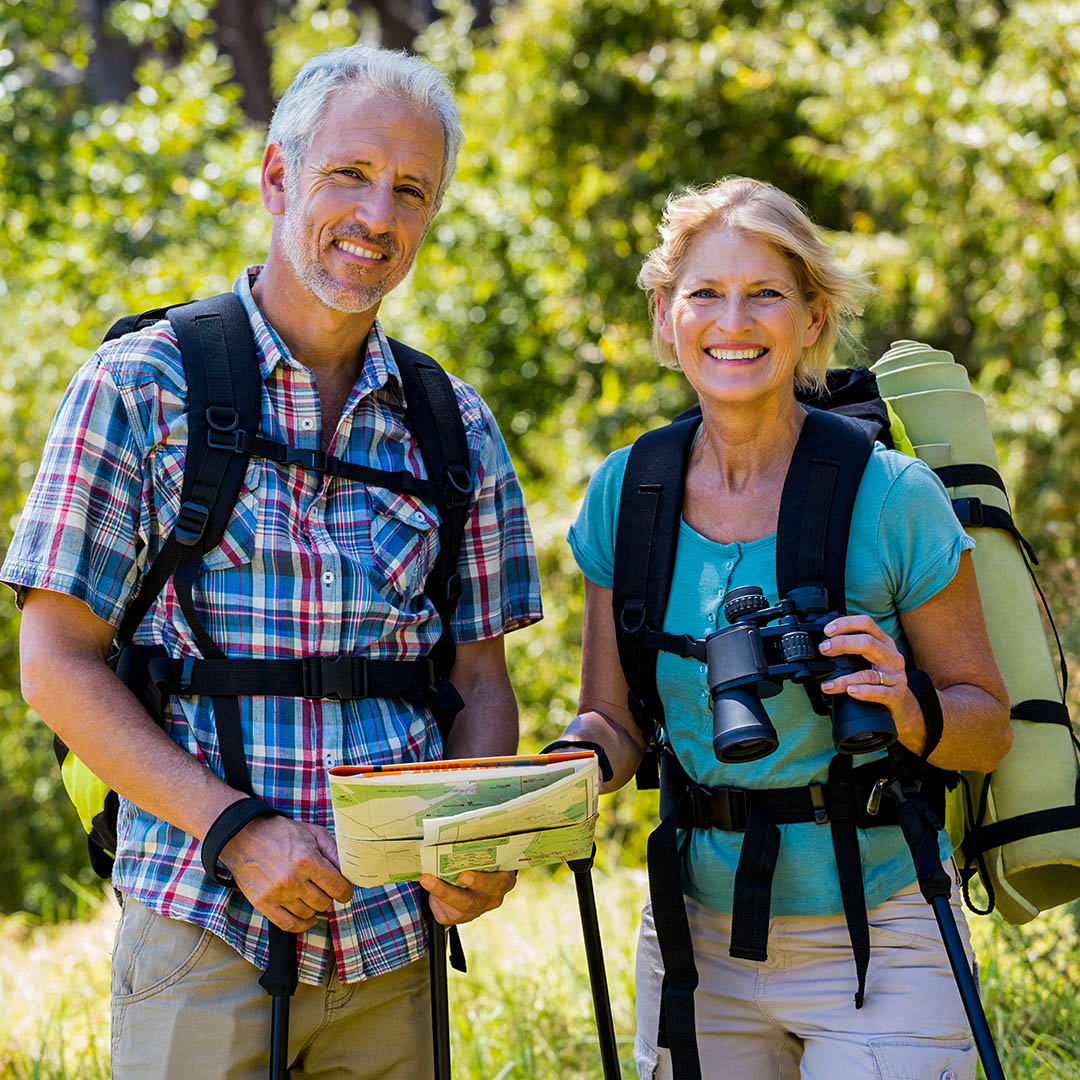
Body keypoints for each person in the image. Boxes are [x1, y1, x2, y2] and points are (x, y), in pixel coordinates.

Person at [3, 44, 541, 1080]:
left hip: (393, 947)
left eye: (410, 189)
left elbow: (479, 682)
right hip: (201, 922)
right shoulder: (141, 386)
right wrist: (238, 829)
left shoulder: (454, 425)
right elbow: (55, 664)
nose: (377, 215)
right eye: (348, 174)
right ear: (276, 177)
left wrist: (470, 843)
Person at [547, 177, 1012, 1079]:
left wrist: (908, 707)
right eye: (705, 294)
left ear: (812, 318)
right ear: (667, 315)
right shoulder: (626, 495)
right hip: (695, 936)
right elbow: (611, 721)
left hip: (884, 925)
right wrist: (559, 774)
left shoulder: (892, 497)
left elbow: (987, 724)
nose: (734, 321)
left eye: (765, 293)